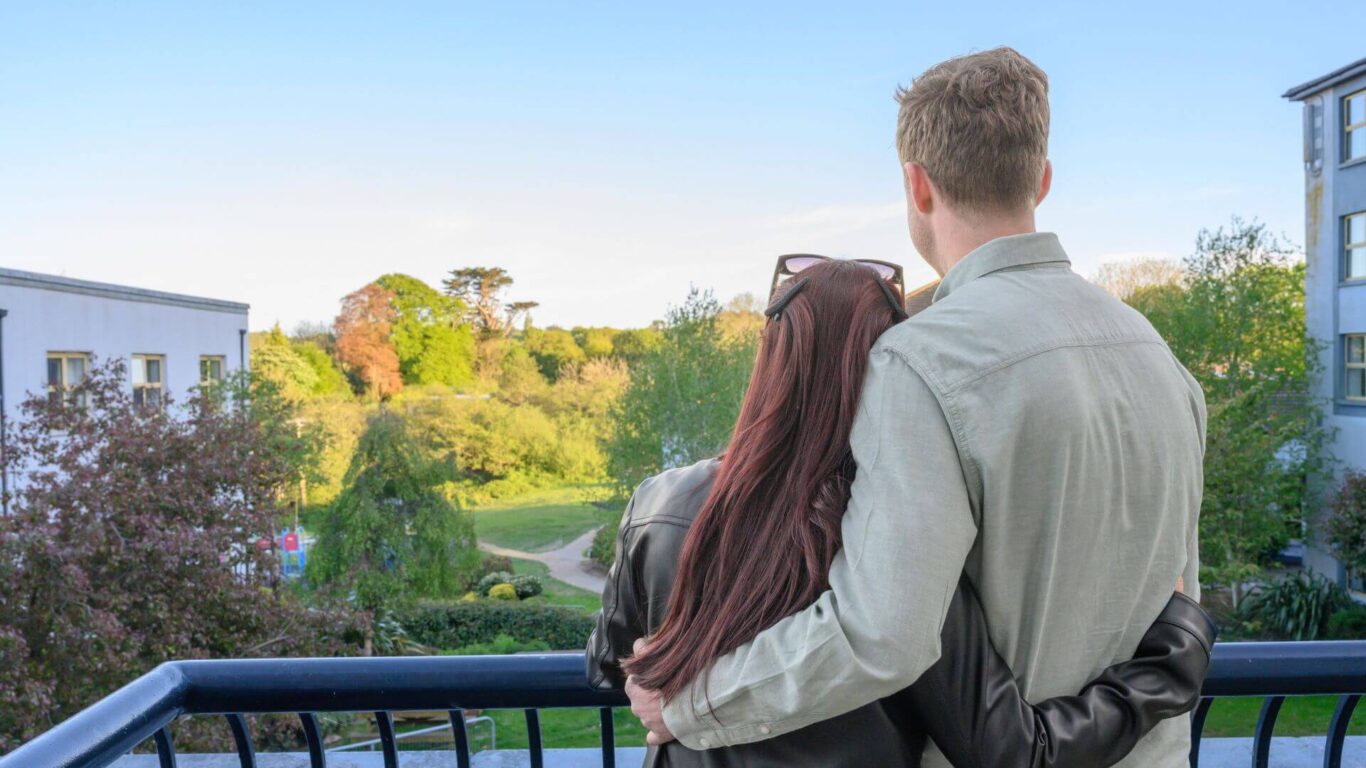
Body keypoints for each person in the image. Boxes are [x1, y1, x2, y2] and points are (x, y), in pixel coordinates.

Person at [625, 49, 1207, 768]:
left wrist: (688, 702)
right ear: (1043, 180)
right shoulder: (1159, 355)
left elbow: (882, 636)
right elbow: (1174, 597)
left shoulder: (922, 362)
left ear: (917, 184)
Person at [591, 258, 1214, 768]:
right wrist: (1171, 662)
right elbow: (1014, 748)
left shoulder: (660, 502)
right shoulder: (888, 535)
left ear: (769, 359)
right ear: (881, 363)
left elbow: (610, 664)